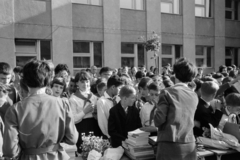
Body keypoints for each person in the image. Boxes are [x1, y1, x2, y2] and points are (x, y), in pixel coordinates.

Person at [3, 59, 78, 160]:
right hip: (57, 156)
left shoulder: (15, 110)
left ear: (24, 81)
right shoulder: (62, 103)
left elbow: (10, 151)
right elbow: (72, 139)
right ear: (48, 79)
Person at [154, 57, 198, 160]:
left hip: (169, 143)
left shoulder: (167, 92)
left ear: (175, 74)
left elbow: (158, 120)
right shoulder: (194, 94)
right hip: (189, 143)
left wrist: (157, 107)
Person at [69, 71, 102, 153]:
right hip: (81, 127)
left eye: (87, 81)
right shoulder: (73, 99)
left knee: (96, 150)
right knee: (83, 150)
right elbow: (73, 119)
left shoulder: (94, 97)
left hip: (94, 125)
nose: (85, 84)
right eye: (82, 82)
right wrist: (84, 111)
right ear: (77, 83)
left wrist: (95, 112)